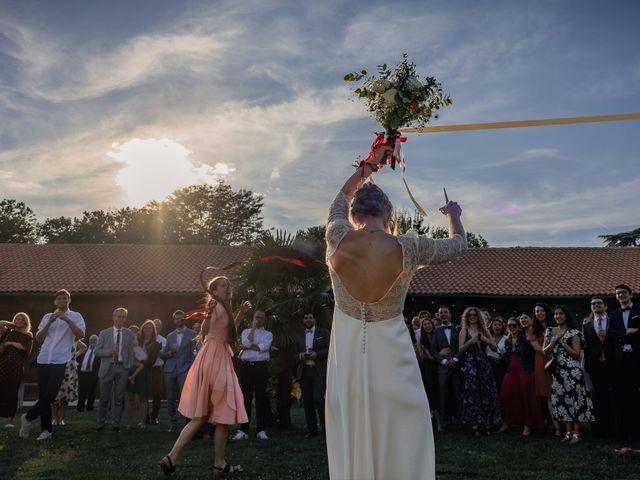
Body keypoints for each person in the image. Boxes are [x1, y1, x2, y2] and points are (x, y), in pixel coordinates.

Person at [324, 150, 467, 480]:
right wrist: (453, 214)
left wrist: (366, 168)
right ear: (389, 212)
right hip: (393, 353)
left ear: (355, 212)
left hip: (346, 355)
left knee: (354, 426)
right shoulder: (410, 246)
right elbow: (459, 244)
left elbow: (338, 199)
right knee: (402, 430)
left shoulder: (336, 236)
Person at [159, 276, 251, 477]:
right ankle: (219, 464)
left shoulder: (218, 307)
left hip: (209, 357)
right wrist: (230, 313)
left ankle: (171, 457)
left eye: (228, 286)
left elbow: (224, 331)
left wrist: (241, 313)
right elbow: (225, 336)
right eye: (223, 286)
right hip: (216, 358)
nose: (228, 289)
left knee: (200, 416)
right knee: (223, 414)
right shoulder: (216, 305)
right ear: (215, 290)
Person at [19, 289, 85, 441]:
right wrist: (50, 322)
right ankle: (46, 430)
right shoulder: (47, 316)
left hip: (60, 359)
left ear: (69, 300)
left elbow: (81, 335)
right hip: (44, 359)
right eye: (59, 299)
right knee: (44, 396)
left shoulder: (76, 316)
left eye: (65, 298)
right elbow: (39, 338)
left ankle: (28, 417)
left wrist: (67, 320)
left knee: (51, 393)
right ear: (55, 302)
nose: (62, 300)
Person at [543, 305, 594, 444]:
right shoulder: (550, 331)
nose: (557, 316)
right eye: (555, 314)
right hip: (557, 372)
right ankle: (568, 431)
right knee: (561, 401)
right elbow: (545, 351)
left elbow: (577, 355)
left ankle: (577, 432)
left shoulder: (574, 332)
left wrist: (562, 342)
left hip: (572, 371)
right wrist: (554, 340)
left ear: (566, 316)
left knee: (575, 401)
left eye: (561, 314)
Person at [458, 307, 501, 435]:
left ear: (478, 317)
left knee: (486, 392)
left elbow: (494, 348)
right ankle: (475, 424)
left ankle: (488, 424)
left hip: (483, 364)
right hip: (470, 365)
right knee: (472, 394)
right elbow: (460, 349)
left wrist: (484, 339)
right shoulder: (464, 331)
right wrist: (471, 341)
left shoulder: (485, 330)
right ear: (466, 317)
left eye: (474, 315)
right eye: (469, 315)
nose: (472, 317)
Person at [498, 318, 543, 436]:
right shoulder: (507, 340)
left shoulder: (525, 339)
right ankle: (507, 422)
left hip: (524, 370)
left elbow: (534, 353)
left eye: (514, 325)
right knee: (506, 395)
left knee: (525, 397)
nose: (511, 328)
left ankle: (527, 425)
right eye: (509, 326)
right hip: (510, 371)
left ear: (518, 326)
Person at [233, 309, 273, 441]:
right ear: (253, 318)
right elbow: (245, 343)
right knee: (246, 398)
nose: (259, 320)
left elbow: (264, 347)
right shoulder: (246, 332)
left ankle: (261, 430)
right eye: (257, 317)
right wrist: (253, 330)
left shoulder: (268, 334)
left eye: (261, 318)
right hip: (246, 367)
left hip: (261, 367)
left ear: (265, 320)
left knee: (261, 398)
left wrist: (250, 346)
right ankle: (243, 430)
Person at [95, 307, 136, 432]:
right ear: (113, 317)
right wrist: (109, 352)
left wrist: (128, 365)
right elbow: (97, 352)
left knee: (119, 398)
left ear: (125, 319)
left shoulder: (129, 334)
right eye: (118, 316)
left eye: (123, 316)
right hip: (107, 367)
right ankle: (100, 424)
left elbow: (131, 352)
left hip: (122, 368)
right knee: (104, 398)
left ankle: (115, 424)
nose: (120, 318)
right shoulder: (104, 333)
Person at [609, 284, 640, 443]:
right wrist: (628, 332)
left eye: (623, 292)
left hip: (637, 359)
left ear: (630, 294)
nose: (620, 295)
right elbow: (611, 334)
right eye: (618, 293)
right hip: (620, 361)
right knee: (622, 396)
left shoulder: (638, 311)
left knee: (636, 396)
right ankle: (625, 433)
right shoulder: (613, 315)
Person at [583, 297, 616, 438]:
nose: (596, 305)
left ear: (605, 306)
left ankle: (616, 428)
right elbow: (587, 348)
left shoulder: (614, 322)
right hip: (596, 367)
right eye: (593, 304)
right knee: (598, 398)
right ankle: (599, 429)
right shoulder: (588, 326)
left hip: (614, 365)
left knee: (614, 396)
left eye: (599, 303)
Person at [294, 312, 330, 438]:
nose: (308, 320)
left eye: (310, 317)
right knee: (308, 401)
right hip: (304, 371)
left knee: (318, 399)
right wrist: (300, 356)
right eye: (305, 318)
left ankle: (327, 430)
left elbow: (330, 349)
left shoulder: (323, 332)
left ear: (314, 319)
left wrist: (317, 355)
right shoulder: (298, 335)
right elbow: (293, 354)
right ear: (303, 320)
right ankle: (312, 430)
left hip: (318, 371)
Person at [162, 310, 197, 432]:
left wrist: (191, 369)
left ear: (184, 319)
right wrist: (170, 352)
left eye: (181, 318)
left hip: (185, 370)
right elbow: (164, 354)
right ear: (174, 320)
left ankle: (188, 424)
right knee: (170, 397)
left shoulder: (192, 334)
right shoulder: (170, 336)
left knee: (186, 397)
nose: (179, 320)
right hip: (170, 369)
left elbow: (194, 353)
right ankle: (173, 423)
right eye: (176, 319)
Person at [430, 305, 463, 429]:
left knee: (457, 393)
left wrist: (455, 359)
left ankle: (460, 421)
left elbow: (462, 347)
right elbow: (433, 350)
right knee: (443, 395)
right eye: (441, 313)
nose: (443, 314)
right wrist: (443, 360)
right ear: (438, 315)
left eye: (445, 312)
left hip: (456, 367)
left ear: (450, 315)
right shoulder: (436, 331)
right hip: (442, 368)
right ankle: (444, 422)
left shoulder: (458, 329)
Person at [530, 303, 559, 435]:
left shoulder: (555, 325)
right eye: (537, 311)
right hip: (542, 362)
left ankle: (565, 424)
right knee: (548, 395)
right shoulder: (533, 329)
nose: (539, 313)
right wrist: (551, 354)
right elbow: (537, 348)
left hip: (558, 360)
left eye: (542, 310)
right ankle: (556, 425)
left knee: (559, 392)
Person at [126, 319, 160, 429]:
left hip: (145, 372)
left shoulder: (156, 344)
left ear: (153, 330)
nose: (147, 330)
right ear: (142, 329)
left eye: (150, 328)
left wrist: (138, 358)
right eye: (145, 328)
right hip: (132, 370)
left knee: (142, 398)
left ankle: (143, 422)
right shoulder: (138, 341)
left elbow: (151, 361)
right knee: (130, 397)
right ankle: (129, 423)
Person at [0, 313, 33, 427]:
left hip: (16, 367)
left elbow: (24, 347)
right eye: (17, 319)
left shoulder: (28, 335)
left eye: (22, 319)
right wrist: (12, 324)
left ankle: (9, 421)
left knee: (12, 393)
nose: (19, 320)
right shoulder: (8, 332)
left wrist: (10, 343)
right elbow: (1, 324)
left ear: (26, 322)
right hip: (3, 365)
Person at [51, 338, 86, 425]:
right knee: (55, 396)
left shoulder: (74, 340)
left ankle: (61, 419)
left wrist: (75, 356)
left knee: (65, 396)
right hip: (56, 367)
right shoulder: (58, 338)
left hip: (69, 370)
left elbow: (84, 347)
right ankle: (54, 419)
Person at [418, 317, 440, 430]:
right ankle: (434, 420)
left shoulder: (438, 337)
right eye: (425, 324)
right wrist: (441, 354)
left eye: (429, 324)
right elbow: (430, 358)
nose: (427, 326)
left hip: (439, 366)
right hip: (428, 368)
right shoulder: (422, 340)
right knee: (431, 391)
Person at [149, 318, 166, 425]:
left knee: (157, 394)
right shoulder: (146, 339)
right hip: (146, 368)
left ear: (161, 327)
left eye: (158, 325)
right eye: (155, 325)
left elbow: (165, 355)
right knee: (144, 393)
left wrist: (157, 350)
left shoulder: (164, 340)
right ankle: (145, 416)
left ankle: (154, 416)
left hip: (157, 368)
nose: (156, 327)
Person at [77, 334, 99, 412]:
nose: (93, 342)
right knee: (81, 391)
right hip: (83, 374)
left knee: (91, 392)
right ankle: (80, 408)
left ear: (98, 342)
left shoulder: (99, 353)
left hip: (93, 374)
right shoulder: (84, 351)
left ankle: (89, 408)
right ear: (89, 341)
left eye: (95, 340)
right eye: (91, 340)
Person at [486, 317, 507, 390]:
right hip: (488, 366)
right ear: (491, 327)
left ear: (502, 327)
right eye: (495, 325)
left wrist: (503, 356)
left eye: (499, 325)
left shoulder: (507, 339)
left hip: (501, 366)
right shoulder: (486, 338)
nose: (497, 326)